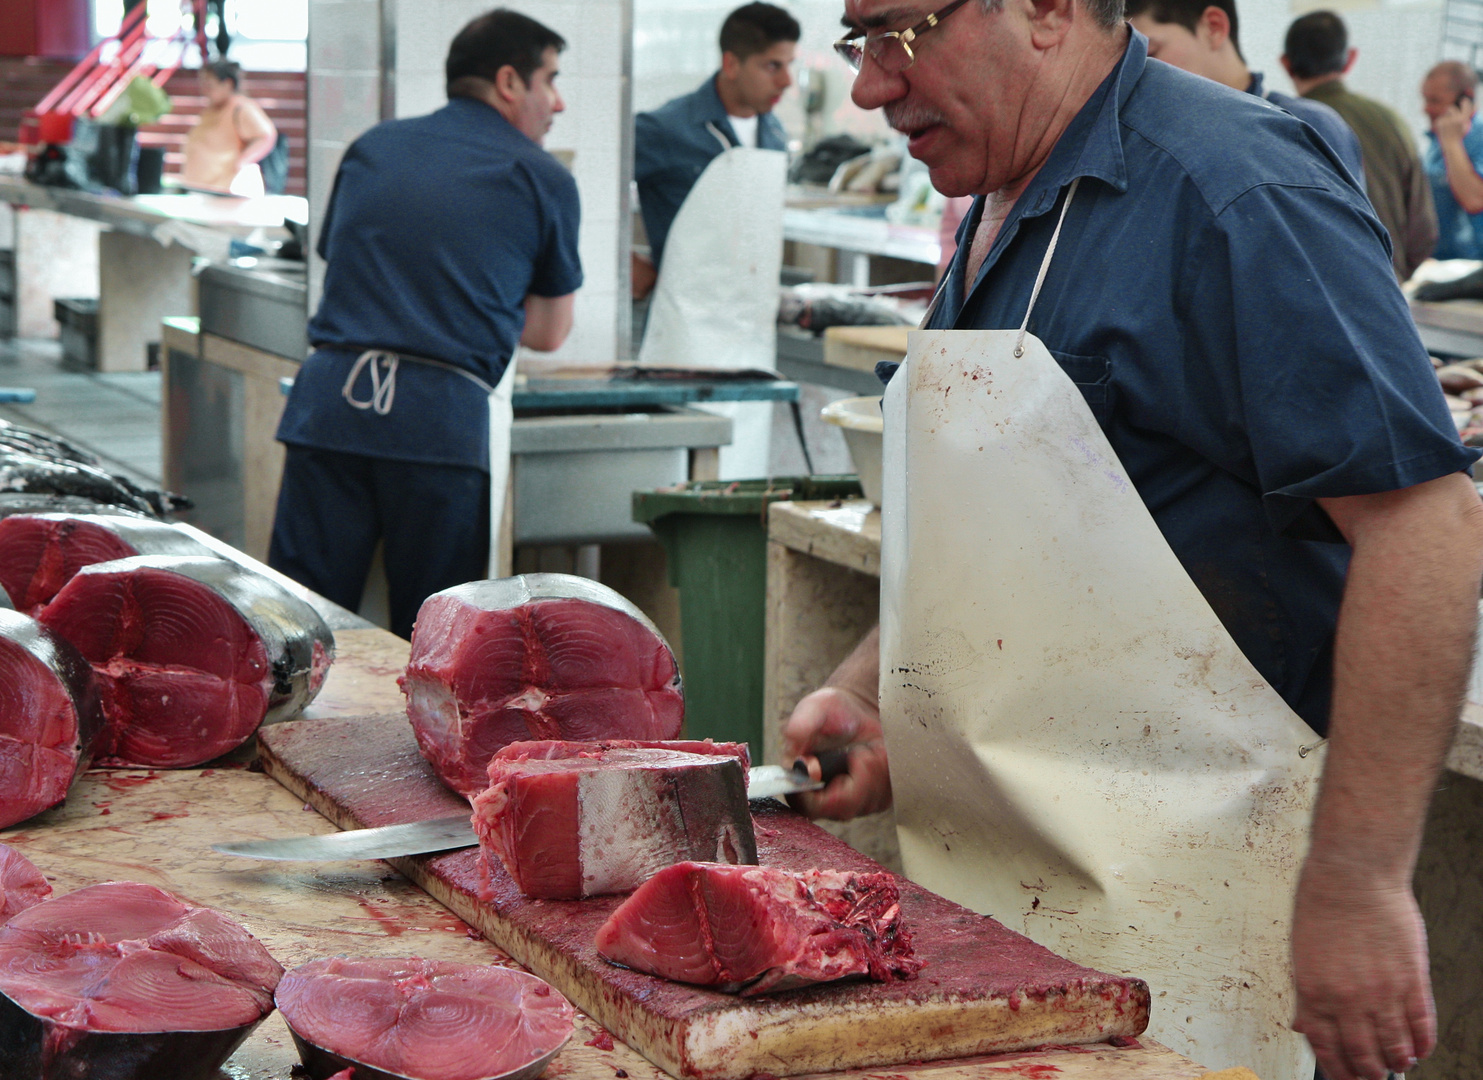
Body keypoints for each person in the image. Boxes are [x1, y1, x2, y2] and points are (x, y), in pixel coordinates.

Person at [788, 1, 1483, 1078]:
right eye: (858, 43)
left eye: (902, 33)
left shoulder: (1234, 192)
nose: (872, 86)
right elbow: (1027, 526)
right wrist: (878, 695)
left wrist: (1356, 878)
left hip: (1206, 927)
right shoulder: (997, 200)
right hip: (1007, 912)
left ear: (1047, 9)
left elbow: (1426, 530)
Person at [268, 8, 581, 640]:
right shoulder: (540, 174)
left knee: (298, 629)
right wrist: (472, 297)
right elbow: (548, 331)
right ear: (509, 82)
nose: (560, 102)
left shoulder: (372, 147)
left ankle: (279, 741)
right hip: (437, 426)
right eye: (550, 79)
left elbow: (351, 265)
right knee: (435, 643)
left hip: (330, 406)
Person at [631, 2, 799, 298]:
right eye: (772, 66)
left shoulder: (773, 134)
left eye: (789, 65)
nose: (786, 81)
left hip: (751, 314)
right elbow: (585, 188)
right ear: (731, 64)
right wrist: (623, 262)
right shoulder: (664, 130)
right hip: (683, 322)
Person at [1125, 0, 1364, 186]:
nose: (1134, 73)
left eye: (1150, 53)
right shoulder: (1150, 139)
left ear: (1213, 27)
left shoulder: (1306, 126)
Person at [1282, 11, 1437, 280]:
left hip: (1314, 294)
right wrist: (1393, 275)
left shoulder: (1281, 125)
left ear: (1286, 64)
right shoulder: (1392, 122)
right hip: (1386, 289)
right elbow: (1423, 233)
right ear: (1350, 59)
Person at [181, 60, 277, 196]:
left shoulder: (241, 108)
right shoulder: (213, 108)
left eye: (209, 85)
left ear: (227, 84)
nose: (204, 90)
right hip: (201, 189)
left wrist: (242, 161)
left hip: (224, 191)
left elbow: (266, 136)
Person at [1422, 60, 1483, 261]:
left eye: (1435, 101)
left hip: (1469, 267)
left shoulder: (1476, 138)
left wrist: (1452, 142)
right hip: (1436, 262)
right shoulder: (1438, 138)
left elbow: (1474, 199)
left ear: (1465, 98)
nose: (1426, 109)